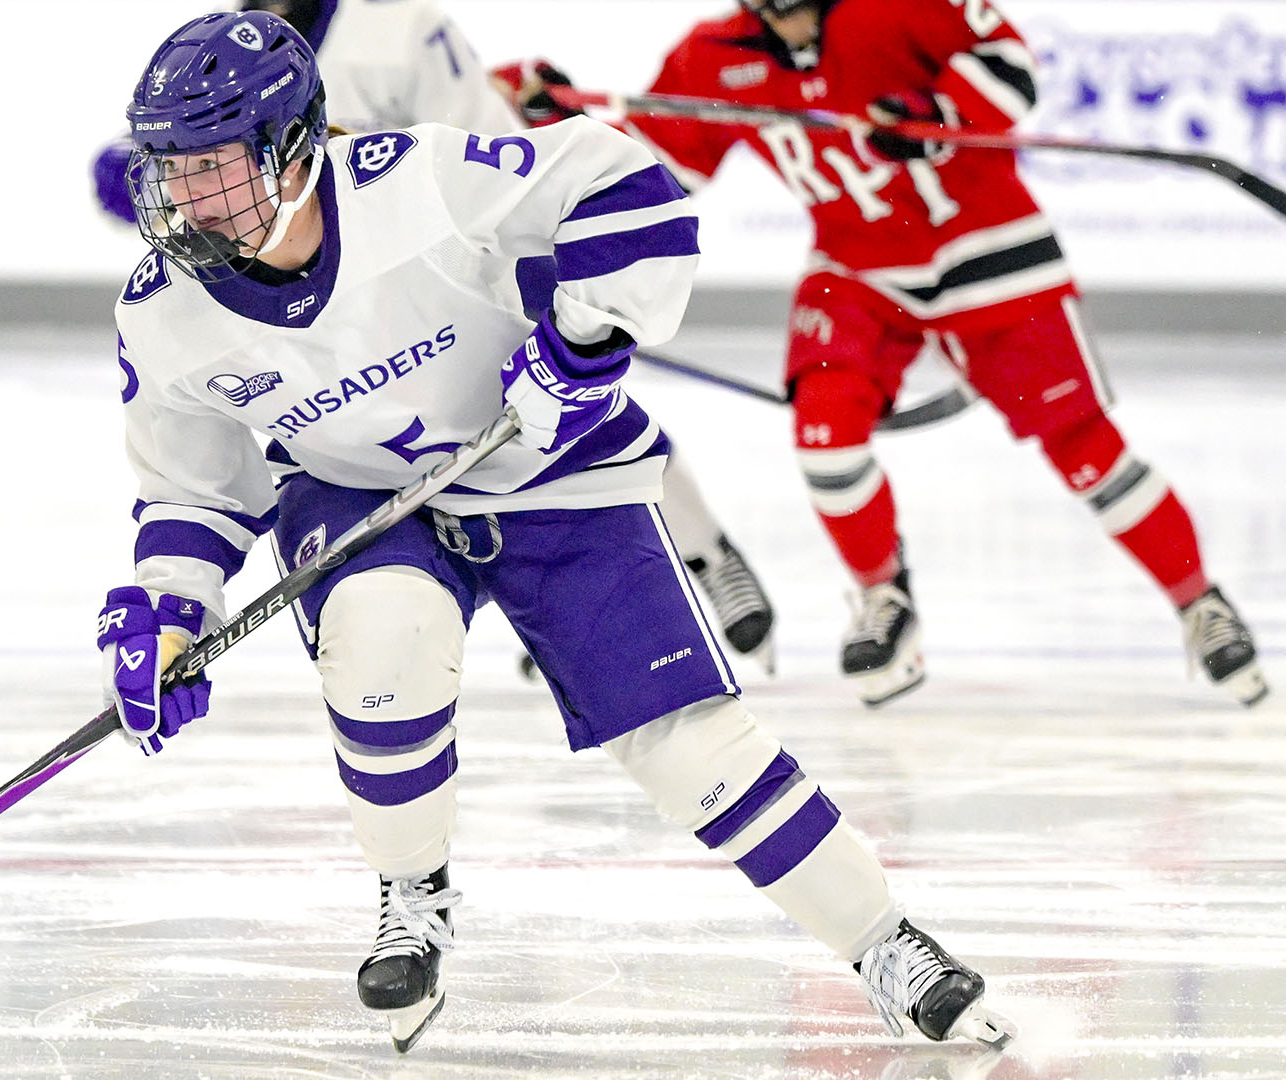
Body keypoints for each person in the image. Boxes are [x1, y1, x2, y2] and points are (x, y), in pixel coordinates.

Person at [97, 8, 1012, 1055]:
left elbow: (634, 191)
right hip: (355, 494)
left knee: (686, 742)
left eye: (217, 168)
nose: (189, 204)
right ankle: (411, 886)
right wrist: (166, 609)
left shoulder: (417, 180)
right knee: (380, 652)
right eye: (172, 172)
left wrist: (578, 344)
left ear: (297, 145)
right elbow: (192, 488)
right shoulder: (162, 309)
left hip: (546, 469)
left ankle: (884, 940)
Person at [503, 0, 1267, 707]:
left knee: (1084, 450)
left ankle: (1201, 602)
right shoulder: (714, 54)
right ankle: (884, 599)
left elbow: (1006, 57)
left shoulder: (893, 7)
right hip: (859, 270)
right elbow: (657, 165)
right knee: (825, 435)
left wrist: (939, 115)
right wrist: (561, 122)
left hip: (992, 251)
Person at [92, 0, 780, 673]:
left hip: (456, 277)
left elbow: (481, 154)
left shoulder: (398, 28)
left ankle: (705, 551)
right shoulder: (216, 56)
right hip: (364, 319)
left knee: (571, 415)